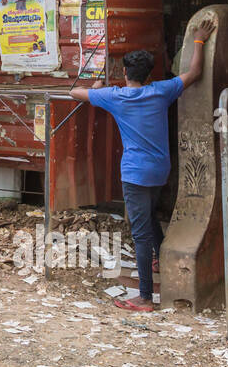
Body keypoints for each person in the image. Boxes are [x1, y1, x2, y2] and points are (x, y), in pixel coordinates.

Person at [70, 18, 216, 313]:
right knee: (148, 217)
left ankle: (145, 297)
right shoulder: (161, 91)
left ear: (124, 73)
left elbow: (75, 94)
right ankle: (159, 258)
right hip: (160, 170)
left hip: (135, 173)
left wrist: (96, 85)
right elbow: (195, 72)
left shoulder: (114, 96)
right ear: (149, 74)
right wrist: (199, 39)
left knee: (140, 234)